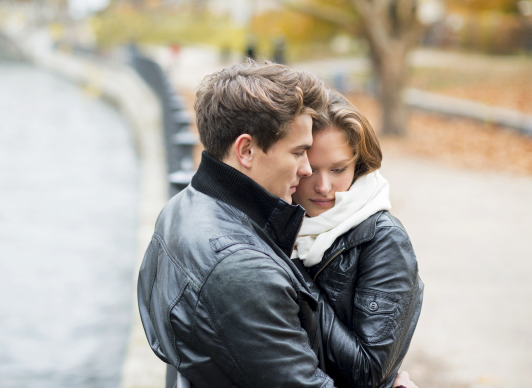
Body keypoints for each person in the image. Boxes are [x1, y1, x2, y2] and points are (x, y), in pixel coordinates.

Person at [137, 60, 418, 388]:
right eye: (300, 153)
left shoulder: (179, 209)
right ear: (246, 150)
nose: (306, 172)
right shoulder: (241, 268)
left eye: (338, 169)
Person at [291, 90, 424, 388]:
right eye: (311, 170)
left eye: (338, 170)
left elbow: (368, 371)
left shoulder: (383, 239)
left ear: (358, 165)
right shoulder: (280, 220)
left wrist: (292, 275)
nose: (324, 187)